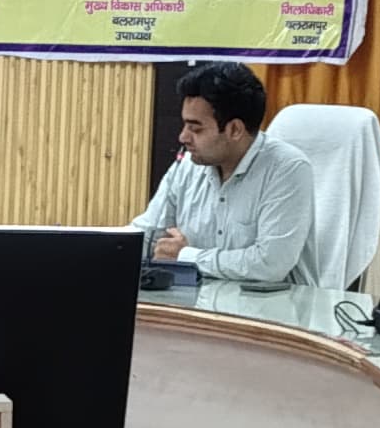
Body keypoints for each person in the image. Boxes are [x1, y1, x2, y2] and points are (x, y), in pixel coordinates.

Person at [131, 63, 314, 286]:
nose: (183, 137)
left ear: (235, 130)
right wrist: (103, 247)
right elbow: (148, 235)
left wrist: (187, 256)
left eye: (195, 128)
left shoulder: (287, 168)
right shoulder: (188, 164)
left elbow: (270, 264)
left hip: (276, 304)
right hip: (199, 299)